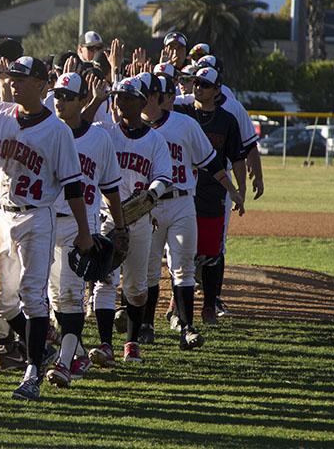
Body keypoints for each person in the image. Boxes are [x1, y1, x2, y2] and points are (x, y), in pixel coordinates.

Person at [0, 44, 94, 401]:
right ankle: (43, 346)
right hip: (3, 217)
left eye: (22, 79)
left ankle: (33, 372)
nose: (14, 84)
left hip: (38, 216)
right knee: (1, 304)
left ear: (42, 85)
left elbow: (72, 187)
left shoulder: (57, 131)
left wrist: (84, 232)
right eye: (11, 78)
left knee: (33, 297)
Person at [140, 73, 243, 349]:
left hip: (182, 200)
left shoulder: (184, 125)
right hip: (149, 205)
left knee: (183, 266)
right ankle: (146, 325)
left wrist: (231, 190)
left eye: (152, 94)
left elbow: (211, 162)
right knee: (149, 269)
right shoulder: (136, 128)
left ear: (162, 98)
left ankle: (187, 328)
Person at [44, 72, 124, 388]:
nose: (59, 100)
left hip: (81, 226)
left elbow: (112, 189)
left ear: (81, 100)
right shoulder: (47, 132)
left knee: (70, 294)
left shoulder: (99, 138)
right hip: (46, 221)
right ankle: (77, 354)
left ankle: (64, 364)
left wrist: (120, 228)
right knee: (53, 299)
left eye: (66, 95)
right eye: (57, 94)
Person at [89, 75, 172, 366]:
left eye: (127, 97)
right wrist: (97, 99)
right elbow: (77, 130)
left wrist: (151, 195)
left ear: (142, 101)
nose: (120, 102)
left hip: (138, 220)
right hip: (106, 218)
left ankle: (132, 342)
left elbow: (163, 177)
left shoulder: (155, 140)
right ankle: (105, 344)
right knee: (104, 281)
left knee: (136, 288)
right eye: (118, 97)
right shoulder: (104, 133)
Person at [174, 67, 247, 325]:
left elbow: (237, 158)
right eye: (196, 82)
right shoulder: (182, 113)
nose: (198, 87)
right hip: (183, 193)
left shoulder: (227, 121)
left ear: (217, 90)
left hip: (213, 193)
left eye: (205, 84)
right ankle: (176, 308)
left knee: (211, 252)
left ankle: (208, 306)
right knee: (182, 252)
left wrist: (240, 190)